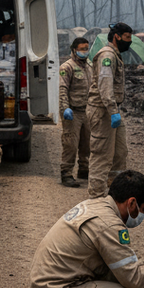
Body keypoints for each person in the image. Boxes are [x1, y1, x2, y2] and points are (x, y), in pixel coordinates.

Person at [85, 22, 132, 199]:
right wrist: (113, 111)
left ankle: (115, 194)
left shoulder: (115, 55)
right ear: (117, 37)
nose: (129, 41)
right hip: (103, 111)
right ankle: (96, 197)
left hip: (112, 110)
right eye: (127, 37)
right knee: (102, 155)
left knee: (120, 153)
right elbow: (105, 86)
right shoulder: (107, 55)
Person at [58, 37, 92, 188]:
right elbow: (63, 89)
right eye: (82, 49)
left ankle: (84, 169)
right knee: (70, 144)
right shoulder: (67, 67)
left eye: (86, 48)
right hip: (72, 111)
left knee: (87, 143)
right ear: (74, 50)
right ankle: (66, 173)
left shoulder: (90, 67)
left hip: (87, 110)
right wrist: (65, 108)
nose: (85, 51)